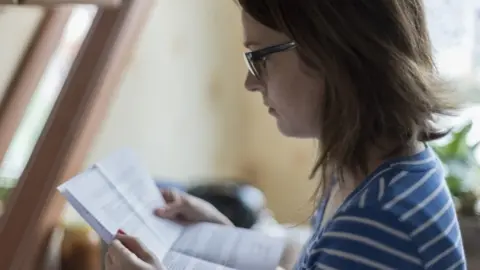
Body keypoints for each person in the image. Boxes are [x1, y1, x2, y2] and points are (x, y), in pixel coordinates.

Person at [105, 0, 467, 269]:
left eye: (260, 56)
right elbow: (314, 259)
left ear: (332, 52)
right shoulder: (371, 172)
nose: (250, 82)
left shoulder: (379, 222)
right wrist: (223, 233)